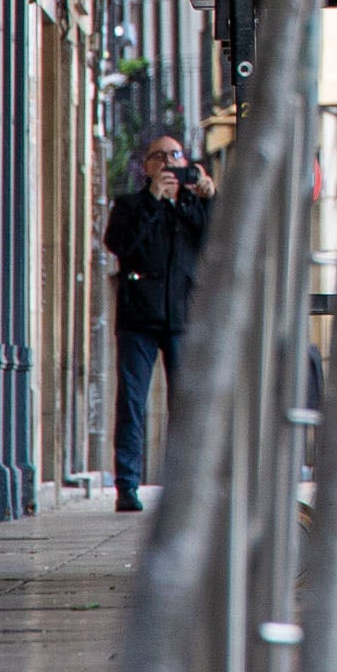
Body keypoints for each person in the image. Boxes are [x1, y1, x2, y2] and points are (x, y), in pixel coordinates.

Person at [101, 131, 213, 513]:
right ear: (146, 166)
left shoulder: (192, 205)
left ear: (186, 164)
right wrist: (153, 201)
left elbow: (217, 244)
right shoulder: (130, 205)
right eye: (159, 156)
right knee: (132, 403)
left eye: (175, 155)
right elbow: (121, 245)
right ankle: (127, 486)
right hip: (138, 319)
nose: (168, 162)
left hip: (184, 318)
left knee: (187, 404)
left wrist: (208, 199)